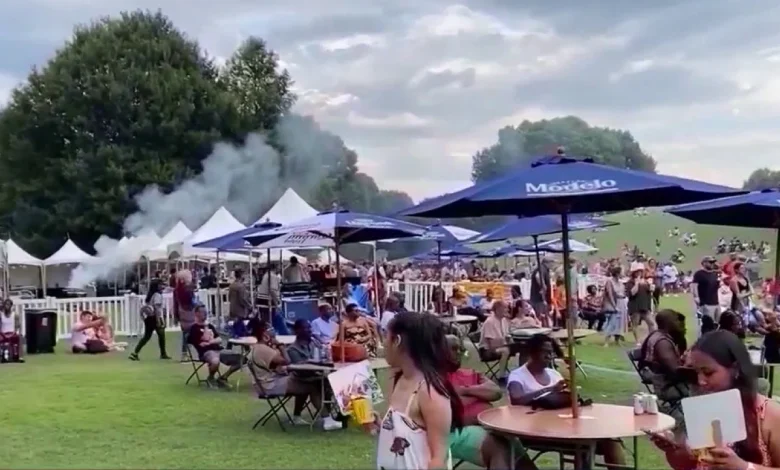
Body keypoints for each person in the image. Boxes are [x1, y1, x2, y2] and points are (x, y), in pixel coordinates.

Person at [648, 330, 780, 469]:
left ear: (734, 369)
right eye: (696, 372)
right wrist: (672, 450)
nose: (701, 381)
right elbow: (689, 465)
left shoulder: (769, 414)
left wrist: (744, 467)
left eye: (708, 373)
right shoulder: (703, 409)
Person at [508, 334, 625, 467]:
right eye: (545, 352)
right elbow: (516, 400)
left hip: (563, 428)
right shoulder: (518, 376)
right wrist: (550, 390)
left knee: (611, 442)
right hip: (534, 432)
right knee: (583, 443)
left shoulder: (554, 374)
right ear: (533, 352)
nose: (549, 356)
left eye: (551, 352)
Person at [375, 312, 462, 469]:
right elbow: (407, 432)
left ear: (397, 341)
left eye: (386, 337)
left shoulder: (429, 392)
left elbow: (438, 457)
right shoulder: (398, 379)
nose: (383, 344)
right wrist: (381, 424)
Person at [445, 335, 537, 470]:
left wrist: (465, 390)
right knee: (499, 446)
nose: (459, 353)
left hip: (487, 426)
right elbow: (450, 413)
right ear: (438, 351)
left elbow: (495, 391)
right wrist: (479, 394)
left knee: (512, 441)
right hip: (455, 431)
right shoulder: (435, 378)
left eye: (461, 349)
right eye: (454, 349)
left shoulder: (470, 373)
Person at [248, 319, 324, 427]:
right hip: (269, 385)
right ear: (264, 332)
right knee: (311, 385)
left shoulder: (260, 348)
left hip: (267, 382)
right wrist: (281, 346)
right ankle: (327, 418)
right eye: (270, 329)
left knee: (304, 381)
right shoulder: (263, 349)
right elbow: (287, 361)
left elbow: (277, 366)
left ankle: (298, 416)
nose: (273, 331)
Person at [285, 319, 341, 431]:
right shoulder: (292, 349)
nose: (310, 331)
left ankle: (330, 414)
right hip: (297, 380)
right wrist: (313, 362)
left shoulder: (313, 344)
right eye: (306, 328)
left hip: (312, 377)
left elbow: (322, 355)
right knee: (315, 387)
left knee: (328, 381)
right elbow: (298, 368)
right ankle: (327, 419)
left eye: (310, 328)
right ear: (297, 331)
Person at [638, 310, 689, 412]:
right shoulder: (662, 342)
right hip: (666, 387)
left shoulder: (659, 335)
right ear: (669, 322)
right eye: (676, 320)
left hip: (666, 382)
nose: (679, 323)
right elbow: (675, 370)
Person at [187, 306, 243, 389]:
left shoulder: (211, 326)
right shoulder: (194, 328)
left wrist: (210, 342)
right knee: (215, 361)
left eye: (205, 312)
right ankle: (211, 378)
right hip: (206, 352)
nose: (205, 314)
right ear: (196, 314)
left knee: (242, 359)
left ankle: (223, 378)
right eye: (202, 312)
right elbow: (204, 340)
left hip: (219, 350)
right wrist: (206, 327)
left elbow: (219, 339)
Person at [478, 300, 520, 383]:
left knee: (522, 346)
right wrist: (505, 341)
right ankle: (502, 376)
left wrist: (510, 340)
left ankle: (522, 373)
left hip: (501, 346)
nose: (508, 310)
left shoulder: (504, 321)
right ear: (497, 309)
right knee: (505, 350)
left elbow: (507, 336)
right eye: (505, 308)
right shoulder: (490, 322)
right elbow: (492, 344)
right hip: (487, 350)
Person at [130, 279, 169, 361]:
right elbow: (157, 308)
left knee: (146, 336)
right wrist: (159, 320)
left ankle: (135, 352)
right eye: (161, 284)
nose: (162, 286)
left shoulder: (150, 295)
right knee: (161, 335)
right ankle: (163, 353)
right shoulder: (157, 295)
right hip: (155, 317)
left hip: (149, 318)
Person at [627, 264, 656, 345]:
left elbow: (651, 291)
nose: (639, 273)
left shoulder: (645, 281)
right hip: (635, 306)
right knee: (635, 324)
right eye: (637, 271)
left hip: (645, 306)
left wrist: (651, 286)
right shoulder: (630, 282)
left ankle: (650, 338)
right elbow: (632, 293)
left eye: (641, 271)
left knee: (652, 323)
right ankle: (637, 341)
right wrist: (636, 283)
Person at [174, 269, 196, 362]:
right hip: (189, 312)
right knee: (190, 333)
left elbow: (175, 303)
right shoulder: (188, 289)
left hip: (181, 311)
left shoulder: (176, 290)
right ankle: (186, 353)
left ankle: (185, 353)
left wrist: (176, 315)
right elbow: (192, 301)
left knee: (185, 333)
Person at [602, 265, 627, 346]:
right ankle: (606, 341)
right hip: (614, 303)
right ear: (617, 273)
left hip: (621, 302)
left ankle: (617, 340)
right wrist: (614, 305)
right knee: (612, 322)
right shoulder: (610, 281)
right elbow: (610, 294)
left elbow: (623, 293)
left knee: (620, 323)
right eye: (621, 272)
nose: (623, 273)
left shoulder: (621, 283)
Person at [692, 256, 722, 324]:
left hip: (716, 302)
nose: (712, 264)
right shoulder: (699, 273)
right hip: (705, 303)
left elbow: (718, 285)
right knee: (707, 323)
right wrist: (696, 297)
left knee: (717, 323)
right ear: (704, 263)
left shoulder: (715, 273)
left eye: (713, 262)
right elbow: (694, 286)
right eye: (710, 262)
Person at [530, 257, 552, 327]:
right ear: (548, 263)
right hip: (539, 299)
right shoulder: (542, 268)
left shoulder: (542, 268)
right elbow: (538, 276)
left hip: (537, 298)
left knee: (542, 318)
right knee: (541, 318)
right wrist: (543, 286)